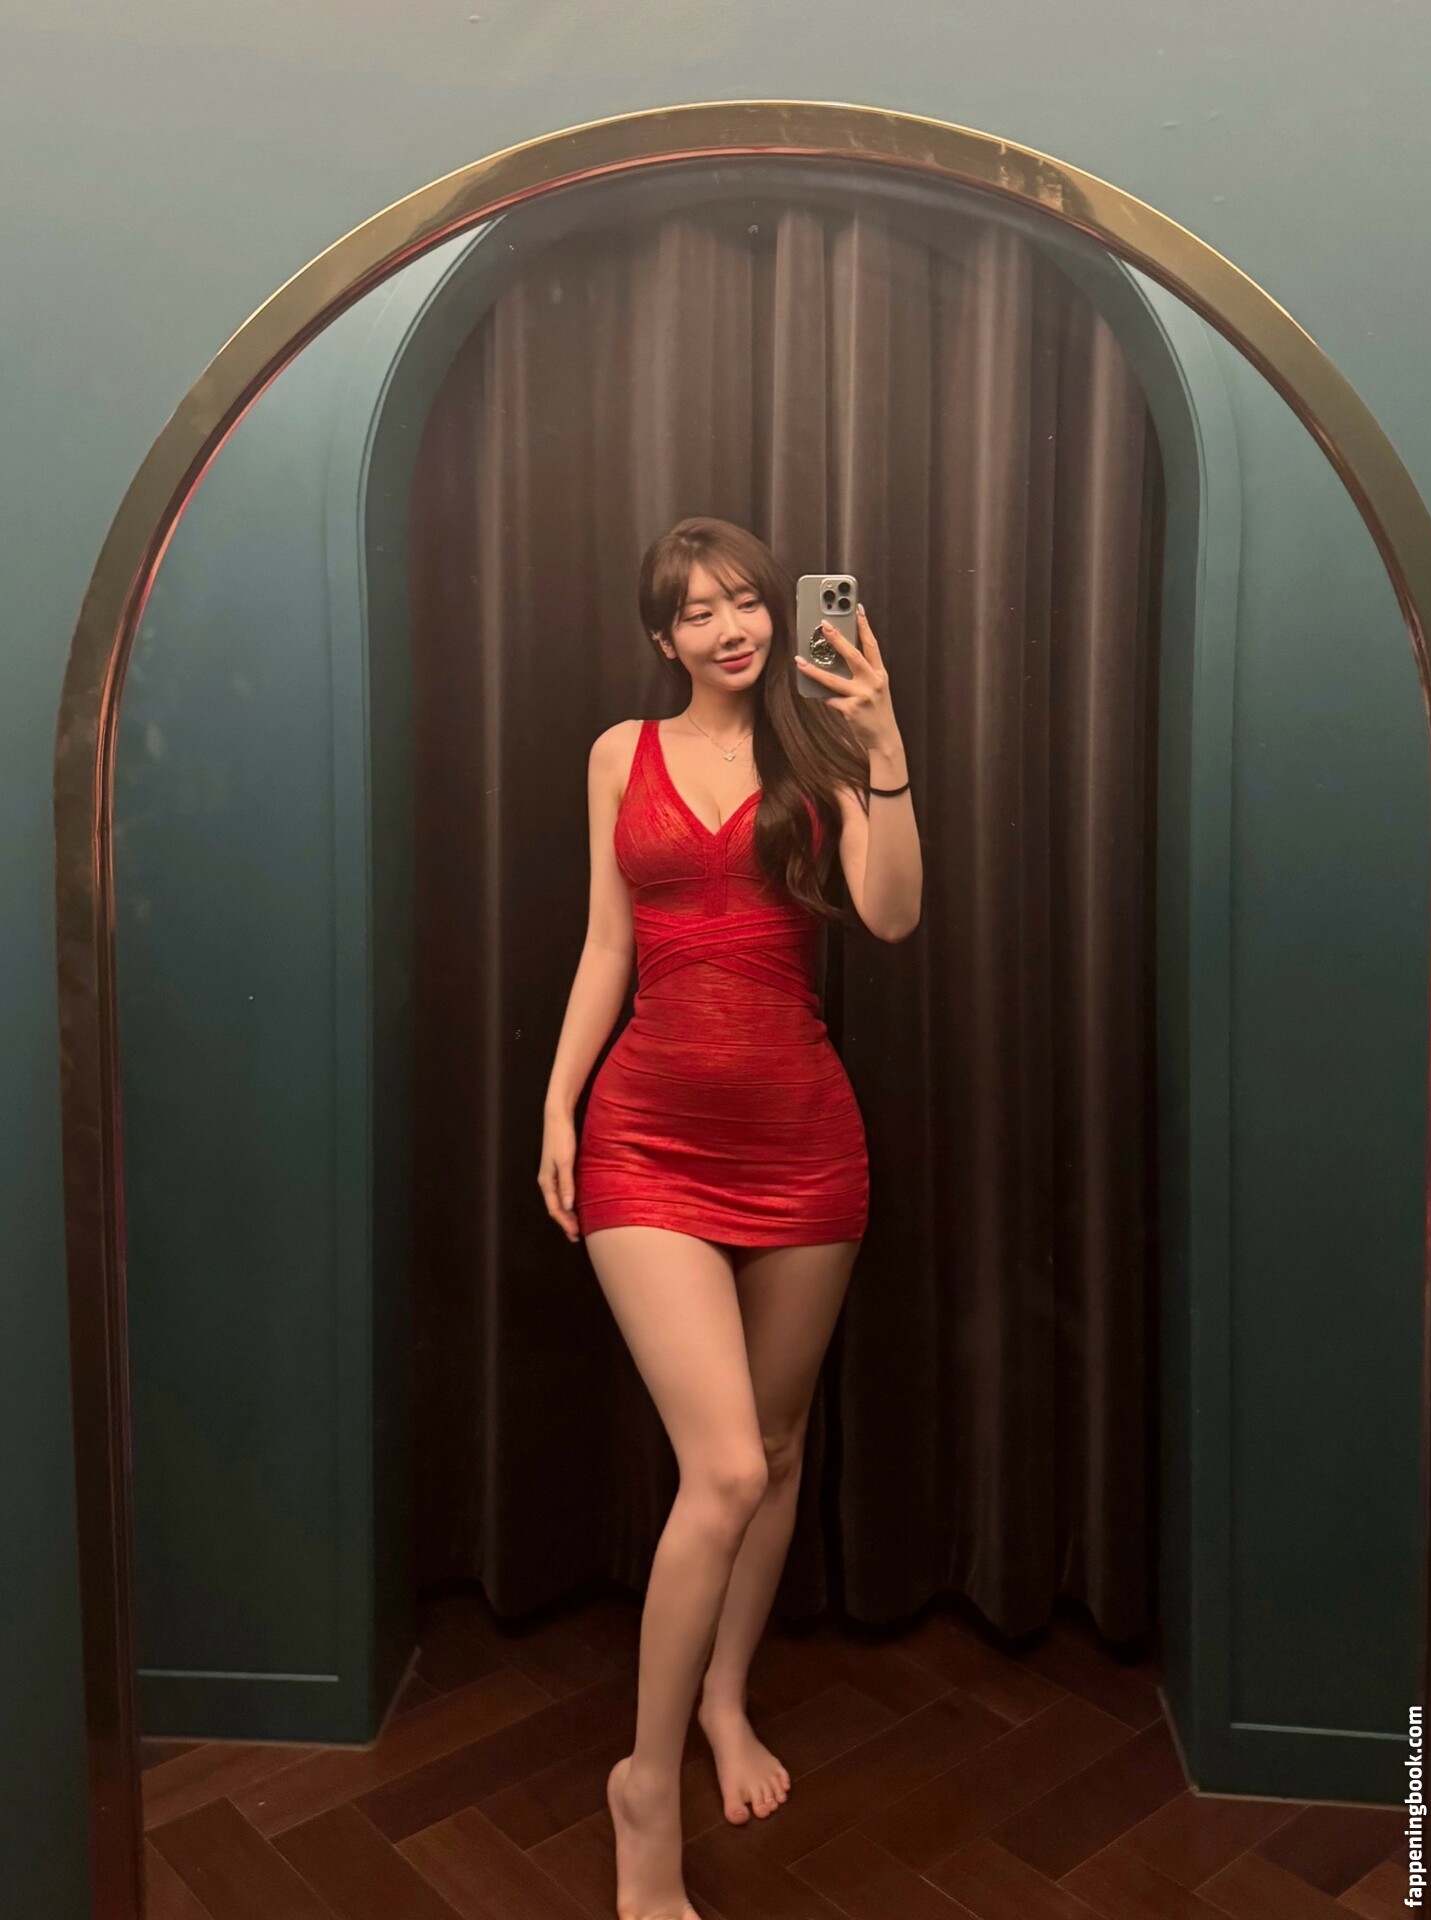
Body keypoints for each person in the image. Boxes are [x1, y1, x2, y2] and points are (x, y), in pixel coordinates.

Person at [538, 516, 922, 1920]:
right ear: (664, 638)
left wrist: (882, 740)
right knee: (724, 1469)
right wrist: (558, 1106)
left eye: (747, 601)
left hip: (804, 1140)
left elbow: (892, 917)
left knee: (774, 1441)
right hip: (646, 1136)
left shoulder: (823, 751)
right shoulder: (617, 755)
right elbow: (608, 942)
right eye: (697, 611)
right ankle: (644, 1790)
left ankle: (723, 1697)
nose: (730, 627)